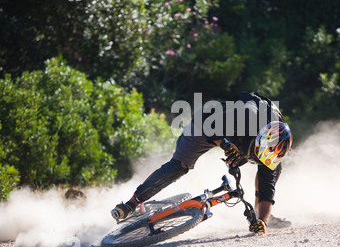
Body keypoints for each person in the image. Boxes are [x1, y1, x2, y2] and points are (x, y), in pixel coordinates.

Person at [111, 92, 293, 234]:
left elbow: (267, 188)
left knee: (273, 170)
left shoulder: (272, 148)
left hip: (239, 139)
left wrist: (262, 221)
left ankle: (258, 211)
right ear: (259, 137)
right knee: (179, 167)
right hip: (206, 126)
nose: (256, 159)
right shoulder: (246, 116)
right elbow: (206, 122)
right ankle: (131, 204)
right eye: (256, 154)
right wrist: (224, 143)